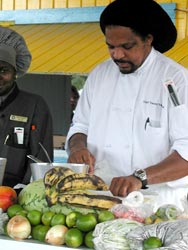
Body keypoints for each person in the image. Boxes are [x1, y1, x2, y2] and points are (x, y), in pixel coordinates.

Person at [65, 0, 188, 210]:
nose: (117, 55)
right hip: (100, 197)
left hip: (157, 203)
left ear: (148, 39)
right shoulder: (99, 75)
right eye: (111, 47)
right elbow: (80, 127)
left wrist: (140, 177)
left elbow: (186, 152)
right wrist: (78, 148)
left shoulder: (176, 80)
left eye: (126, 47)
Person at [0, 27, 54, 187]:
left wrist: (31, 191)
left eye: (4, 70)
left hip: (15, 194)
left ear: (15, 72)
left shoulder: (35, 105)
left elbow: (42, 159)